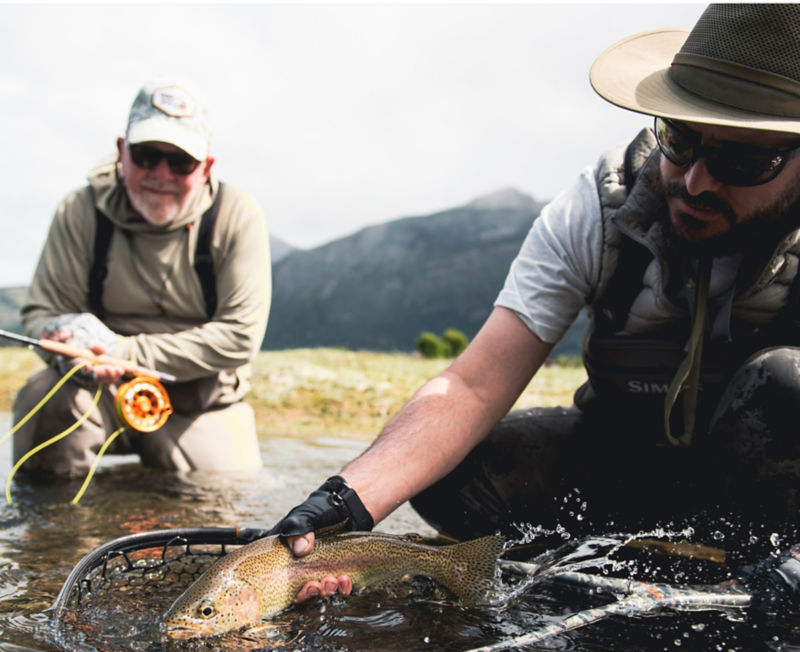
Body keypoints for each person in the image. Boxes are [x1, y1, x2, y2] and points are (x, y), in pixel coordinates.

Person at [272, 4, 800, 617]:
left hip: (764, 491)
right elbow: (470, 386)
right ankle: (576, 565)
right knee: (449, 467)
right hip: (617, 465)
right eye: (679, 139)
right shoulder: (598, 205)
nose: (696, 181)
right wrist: (346, 500)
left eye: (742, 161)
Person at [12, 78, 270, 476]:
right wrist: (66, 343)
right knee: (45, 394)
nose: (161, 174)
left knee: (225, 506)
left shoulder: (237, 215)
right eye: (147, 155)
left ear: (206, 168)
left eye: (181, 161)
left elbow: (239, 337)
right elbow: (43, 312)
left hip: (200, 399)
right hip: (97, 390)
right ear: (121, 151)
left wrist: (122, 351)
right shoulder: (78, 210)